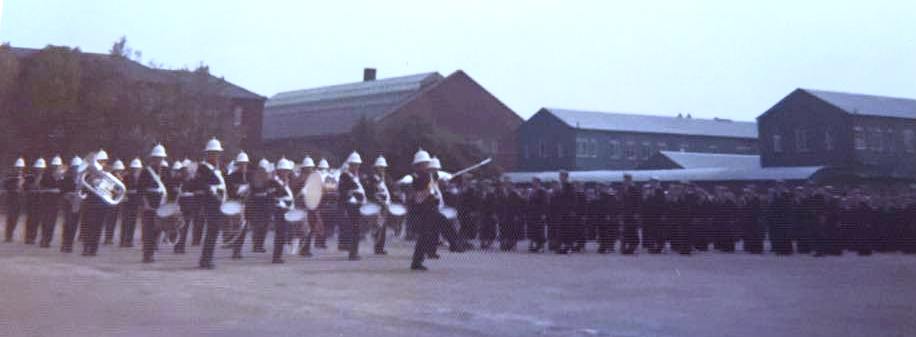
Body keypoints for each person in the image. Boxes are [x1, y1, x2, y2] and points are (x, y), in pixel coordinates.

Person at [195, 138, 227, 269]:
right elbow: (201, 185)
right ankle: (205, 260)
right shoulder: (203, 168)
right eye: (213, 153)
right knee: (211, 232)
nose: (216, 156)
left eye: (217, 153)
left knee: (213, 232)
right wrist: (213, 191)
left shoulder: (215, 169)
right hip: (210, 204)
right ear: (207, 154)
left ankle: (207, 258)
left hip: (217, 204)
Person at [138, 144, 168, 263]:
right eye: (157, 158)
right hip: (149, 205)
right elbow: (141, 190)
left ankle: (153, 251)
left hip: (162, 204)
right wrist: (145, 204)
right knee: (148, 230)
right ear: (152, 158)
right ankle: (147, 254)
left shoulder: (166, 171)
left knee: (158, 229)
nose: (159, 160)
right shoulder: (145, 172)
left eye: (161, 158)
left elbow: (170, 188)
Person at [409, 149, 437, 271]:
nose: (427, 165)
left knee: (425, 236)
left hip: (428, 208)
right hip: (423, 209)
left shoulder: (427, 176)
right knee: (423, 236)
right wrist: (429, 191)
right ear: (419, 165)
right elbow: (419, 196)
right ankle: (417, 261)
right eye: (424, 163)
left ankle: (418, 260)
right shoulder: (420, 177)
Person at [337, 151, 366, 261]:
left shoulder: (356, 177)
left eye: (358, 164)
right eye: (354, 164)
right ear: (350, 165)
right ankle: (353, 253)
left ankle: (354, 251)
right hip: (350, 205)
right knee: (354, 229)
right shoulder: (344, 175)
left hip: (357, 205)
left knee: (356, 229)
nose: (356, 166)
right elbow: (342, 191)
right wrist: (352, 194)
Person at [364, 155, 393, 255]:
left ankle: (380, 247)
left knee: (383, 226)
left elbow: (389, 189)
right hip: (377, 204)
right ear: (376, 168)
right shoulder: (373, 178)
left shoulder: (385, 178)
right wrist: (380, 201)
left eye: (383, 167)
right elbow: (371, 192)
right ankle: (377, 246)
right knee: (378, 225)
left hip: (385, 204)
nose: (382, 169)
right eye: (380, 167)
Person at [271, 157, 296, 264]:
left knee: (283, 233)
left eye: (287, 171)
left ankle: (278, 255)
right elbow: (272, 197)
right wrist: (282, 204)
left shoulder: (285, 182)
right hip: (280, 210)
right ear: (279, 171)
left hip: (286, 210)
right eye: (284, 171)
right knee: (280, 233)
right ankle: (276, 256)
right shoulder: (274, 182)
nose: (286, 173)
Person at [38, 155, 65, 247]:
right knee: (45, 221)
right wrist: (51, 190)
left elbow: (64, 190)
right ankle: (44, 238)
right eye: (55, 166)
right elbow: (41, 189)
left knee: (52, 222)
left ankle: (48, 240)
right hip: (46, 201)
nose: (57, 167)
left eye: (58, 166)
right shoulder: (46, 176)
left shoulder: (62, 178)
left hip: (55, 203)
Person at [60, 156, 83, 252]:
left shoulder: (83, 179)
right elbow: (62, 191)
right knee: (67, 224)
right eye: (75, 167)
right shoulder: (67, 179)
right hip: (68, 203)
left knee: (74, 224)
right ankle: (65, 243)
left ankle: (69, 244)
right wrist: (68, 195)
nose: (76, 170)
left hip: (78, 204)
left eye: (78, 167)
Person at [120, 158, 143, 247]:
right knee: (125, 220)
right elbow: (122, 188)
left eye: (137, 168)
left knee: (133, 221)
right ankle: (123, 240)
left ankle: (129, 240)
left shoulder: (141, 177)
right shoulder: (126, 176)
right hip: (127, 200)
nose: (136, 170)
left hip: (135, 201)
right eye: (134, 168)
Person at [102, 159, 126, 245]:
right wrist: (115, 191)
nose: (120, 171)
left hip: (117, 200)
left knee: (113, 219)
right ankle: (108, 237)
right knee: (109, 219)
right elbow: (106, 187)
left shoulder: (121, 177)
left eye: (120, 170)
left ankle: (110, 237)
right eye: (118, 169)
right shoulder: (110, 177)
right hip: (110, 200)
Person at [23, 158, 46, 245]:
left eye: (41, 168)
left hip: (40, 201)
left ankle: (33, 237)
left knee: (37, 219)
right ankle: (28, 237)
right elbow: (25, 187)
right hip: (31, 200)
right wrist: (32, 186)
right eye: (38, 168)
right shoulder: (30, 177)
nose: (39, 169)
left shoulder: (45, 177)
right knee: (30, 219)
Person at [4, 157, 26, 242]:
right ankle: (8, 235)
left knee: (15, 218)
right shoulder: (10, 176)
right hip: (11, 199)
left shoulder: (24, 176)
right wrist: (14, 188)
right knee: (10, 217)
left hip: (19, 200)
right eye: (18, 168)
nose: (19, 169)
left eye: (21, 168)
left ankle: (11, 234)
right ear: (15, 168)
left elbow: (25, 187)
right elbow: (6, 186)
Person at [620, 174, 642, 255]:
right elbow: (621, 202)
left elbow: (638, 202)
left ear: (630, 180)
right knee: (625, 231)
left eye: (627, 180)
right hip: (625, 213)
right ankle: (626, 246)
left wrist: (637, 213)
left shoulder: (635, 190)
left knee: (633, 230)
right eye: (625, 180)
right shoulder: (623, 189)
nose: (626, 182)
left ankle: (634, 246)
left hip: (633, 214)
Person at [526, 178, 549, 253]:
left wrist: (544, 213)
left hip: (539, 213)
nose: (534, 183)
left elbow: (545, 203)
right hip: (532, 214)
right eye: (533, 182)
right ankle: (534, 245)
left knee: (540, 230)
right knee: (532, 230)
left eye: (535, 182)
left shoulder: (542, 191)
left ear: (539, 183)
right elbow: (528, 202)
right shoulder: (531, 192)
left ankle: (541, 246)